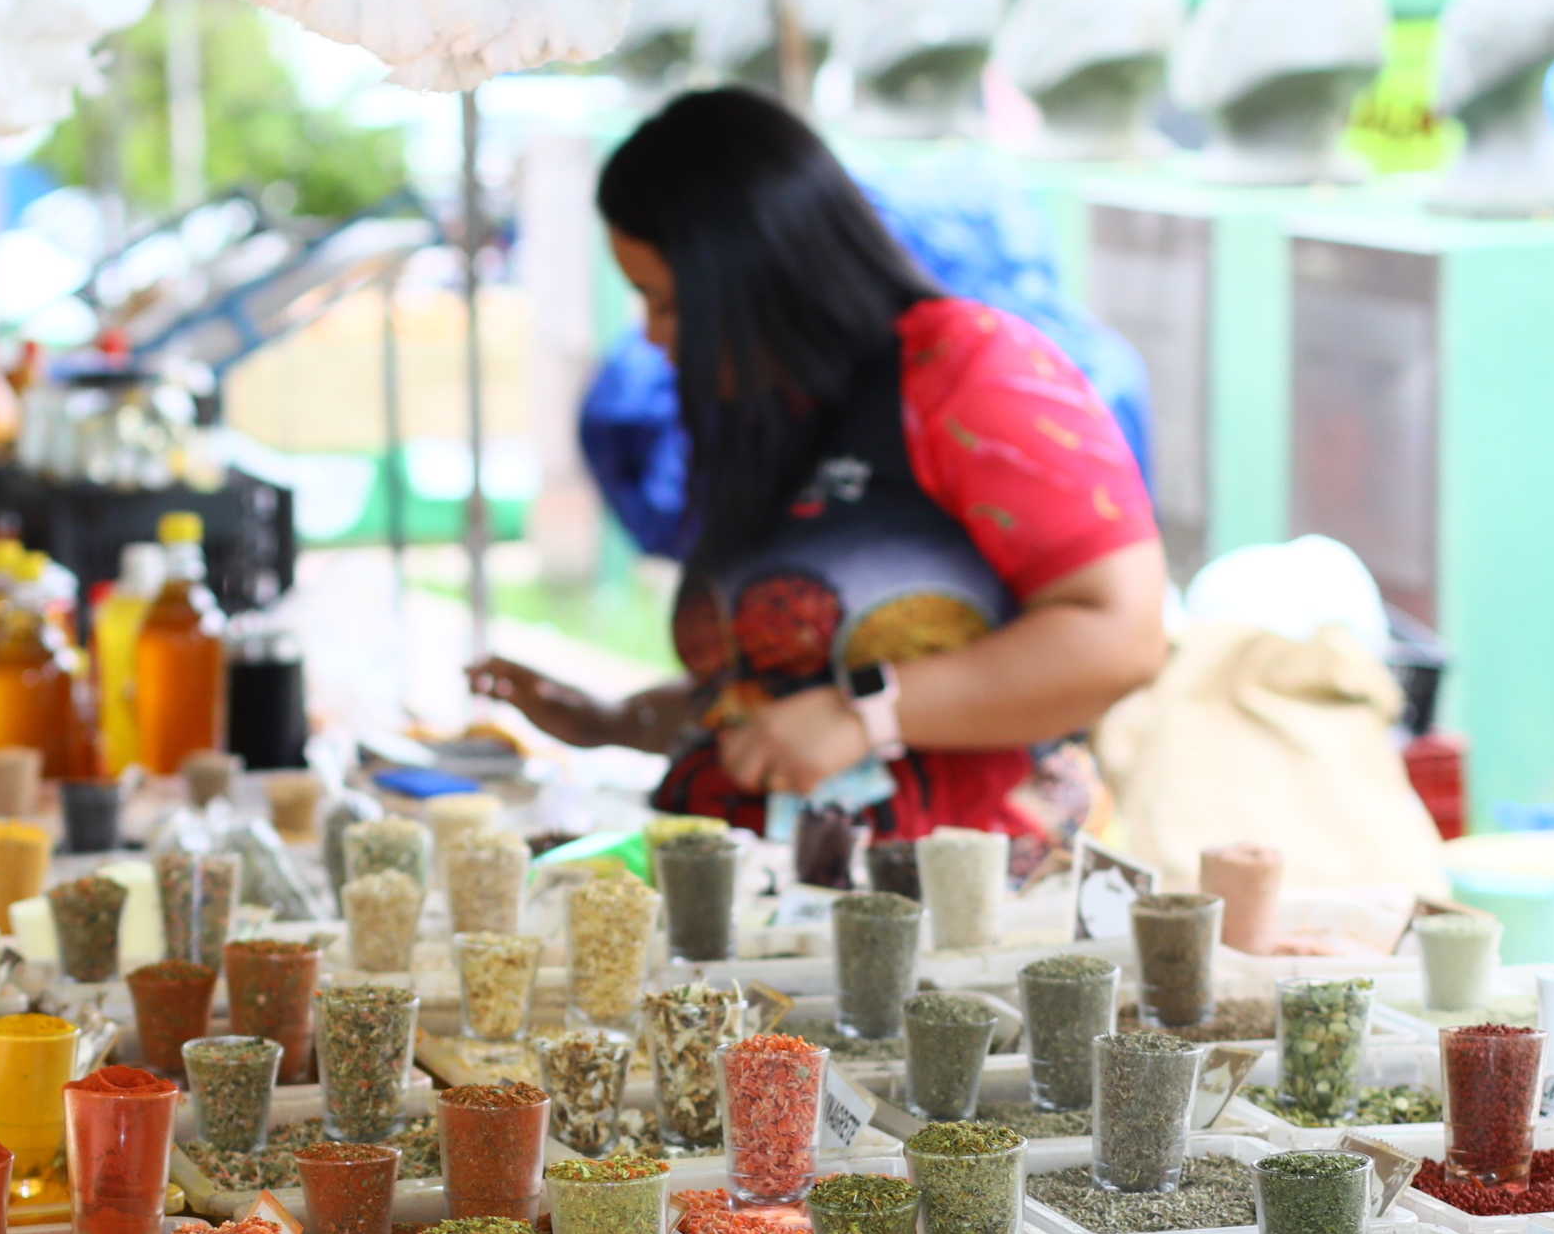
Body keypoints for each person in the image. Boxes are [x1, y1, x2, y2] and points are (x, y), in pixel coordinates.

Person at [476, 89, 1165, 837]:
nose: (651, 334)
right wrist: (611, 720)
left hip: (953, 884)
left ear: (753, 276)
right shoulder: (768, 408)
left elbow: (1121, 639)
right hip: (759, 885)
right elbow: (779, 701)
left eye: (667, 302)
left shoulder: (966, 370)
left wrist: (864, 713)